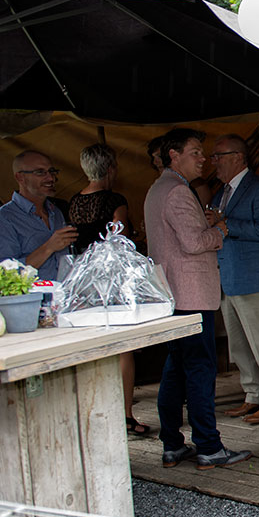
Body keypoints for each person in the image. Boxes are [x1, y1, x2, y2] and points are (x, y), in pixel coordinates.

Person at [145, 128, 251, 470]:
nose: (203, 158)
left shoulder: (157, 189)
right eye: (195, 152)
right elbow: (193, 243)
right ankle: (208, 445)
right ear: (173, 155)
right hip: (191, 294)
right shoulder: (177, 191)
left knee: (175, 370)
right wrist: (220, 229)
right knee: (200, 371)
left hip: (172, 294)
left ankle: (173, 444)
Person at [208, 134, 259, 425]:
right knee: (240, 347)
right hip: (229, 279)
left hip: (256, 279)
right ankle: (253, 395)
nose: (213, 162)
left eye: (219, 155)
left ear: (238, 158)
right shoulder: (221, 193)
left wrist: (226, 224)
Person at [68, 143, 148, 436]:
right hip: (110, 279)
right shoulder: (115, 199)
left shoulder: (74, 201)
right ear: (111, 168)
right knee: (124, 349)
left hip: (81, 280)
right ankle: (126, 416)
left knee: (94, 347)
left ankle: (97, 411)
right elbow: (120, 239)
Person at [0, 150, 77, 281]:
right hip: (31, 300)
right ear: (20, 178)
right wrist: (48, 247)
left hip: (65, 297)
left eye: (52, 171)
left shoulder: (55, 212)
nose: (50, 178)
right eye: (40, 172)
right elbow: (4, 276)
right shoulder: (1, 220)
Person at [69, 143, 129, 253]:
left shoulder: (74, 201)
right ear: (110, 169)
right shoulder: (114, 201)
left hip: (81, 265)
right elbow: (121, 242)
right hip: (107, 265)